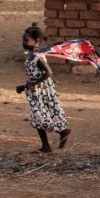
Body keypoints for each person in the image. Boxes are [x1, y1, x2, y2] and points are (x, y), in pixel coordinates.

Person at [17, 23, 70, 153]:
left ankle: (60, 135)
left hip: (42, 91)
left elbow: (49, 73)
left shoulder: (37, 56)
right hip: (35, 90)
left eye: (27, 40)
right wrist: (24, 87)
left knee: (39, 116)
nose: (24, 42)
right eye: (23, 39)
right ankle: (53, 140)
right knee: (39, 117)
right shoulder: (30, 55)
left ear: (36, 41)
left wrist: (32, 85)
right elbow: (33, 75)